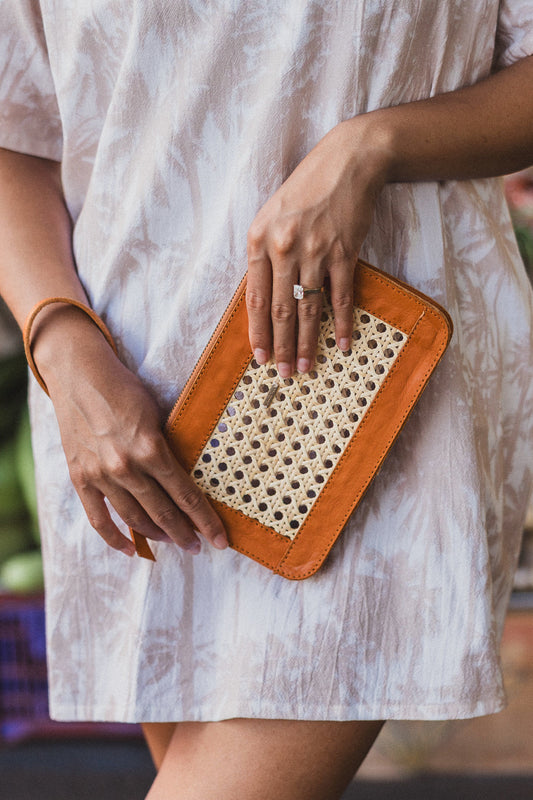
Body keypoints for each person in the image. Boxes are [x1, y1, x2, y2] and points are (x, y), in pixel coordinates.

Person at [1, 2, 533, 798]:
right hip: (128, 406)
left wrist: (369, 147)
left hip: (368, 390)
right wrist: (61, 344)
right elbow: (17, 136)